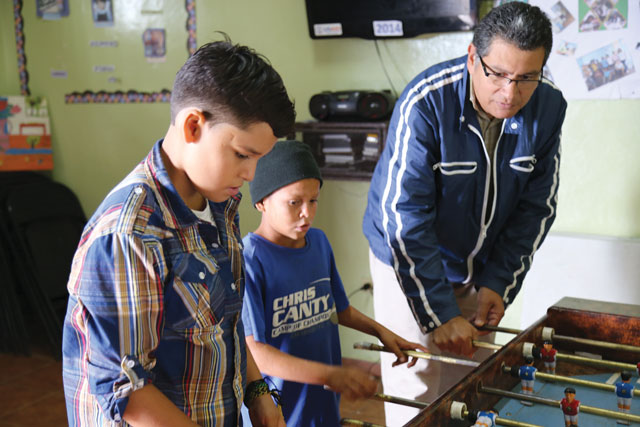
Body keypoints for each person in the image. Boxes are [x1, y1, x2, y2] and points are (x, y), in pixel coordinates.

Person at [61, 38, 296, 426]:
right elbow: (128, 393)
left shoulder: (219, 203)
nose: (251, 174)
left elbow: (226, 323)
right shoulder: (130, 236)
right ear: (193, 126)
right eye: (242, 155)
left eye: (259, 159)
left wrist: (259, 392)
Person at [362, 2, 567, 423]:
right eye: (497, 74)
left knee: (475, 382)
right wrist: (439, 314)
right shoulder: (425, 103)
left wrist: (498, 283)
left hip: (480, 264)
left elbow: (536, 208)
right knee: (416, 383)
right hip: (407, 262)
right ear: (473, 57)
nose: (510, 94)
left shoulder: (548, 108)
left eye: (528, 77)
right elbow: (405, 219)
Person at [241, 140, 427, 426]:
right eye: (294, 202)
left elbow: (340, 309)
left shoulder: (318, 242)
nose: (307, 212)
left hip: (322, 402)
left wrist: (382, 332)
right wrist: (330, 375)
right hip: (277, 412)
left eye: (313, 200)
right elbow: (257, 353)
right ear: (262, 202)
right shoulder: (250, 260)